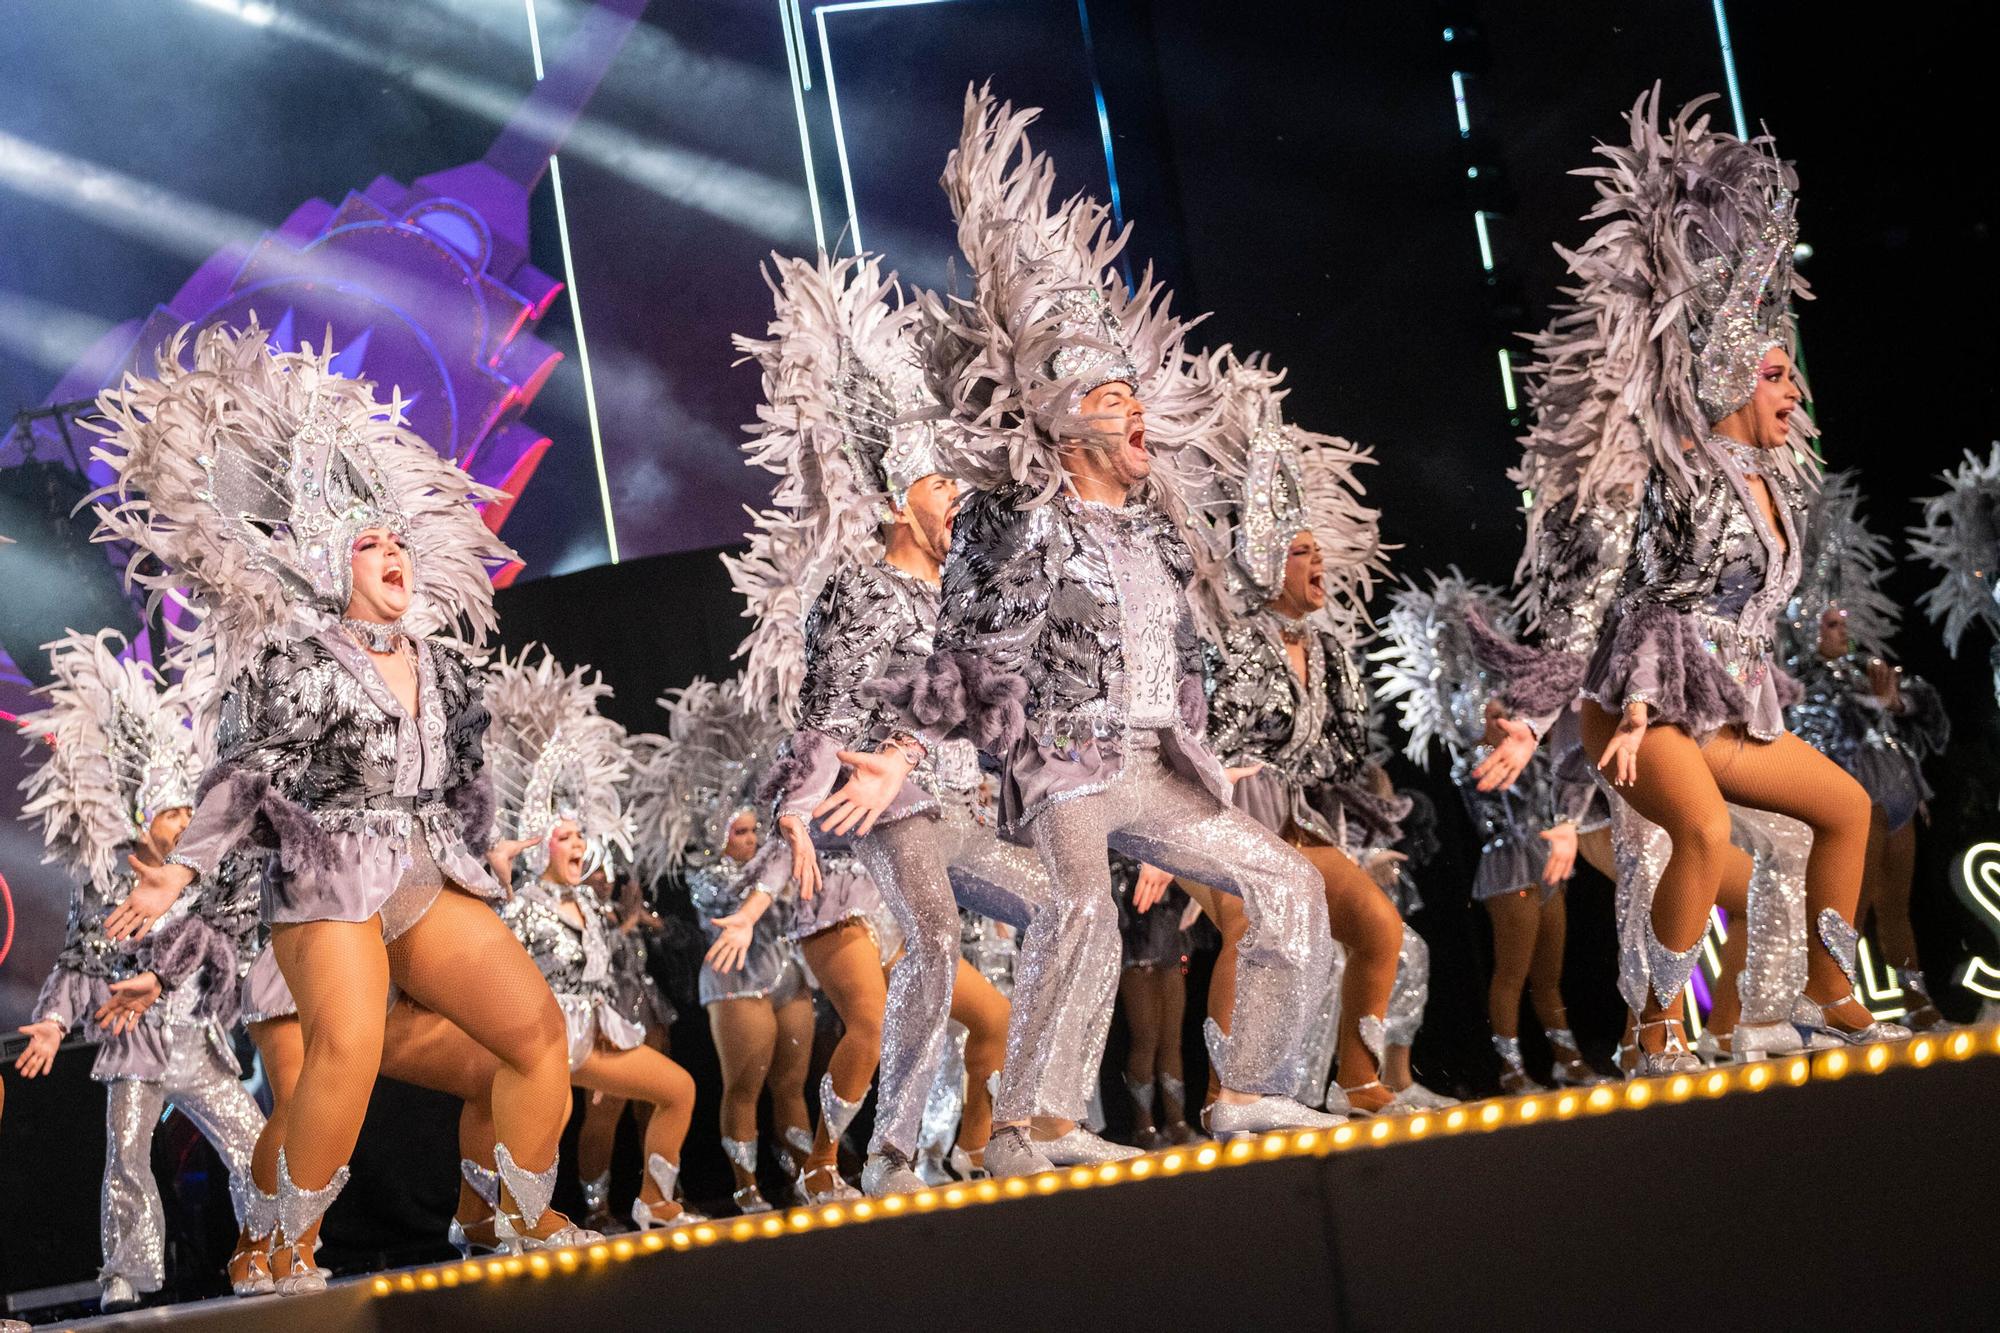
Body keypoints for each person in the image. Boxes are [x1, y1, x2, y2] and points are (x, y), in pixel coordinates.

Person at [857, 87, 1340, 1150]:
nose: (1134, 407)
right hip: (1063, 758)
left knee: (1289, 880)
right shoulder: (1015, 522)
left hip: (1154, 763)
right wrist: (900, 748)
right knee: (1080, 913)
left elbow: (1231, 603)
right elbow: (965, 648)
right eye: (1110, 395)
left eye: (1133, 392)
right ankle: (1030, 1123)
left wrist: (1260, 447)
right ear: (1067, 417)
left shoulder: (1162, 531)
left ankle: (1251, 1086)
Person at [97, 322, 594, 1294]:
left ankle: (513, 1218)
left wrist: (487, 849)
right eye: (368, 544)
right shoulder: (295, 661)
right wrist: (183, 868)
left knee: (535, 1032)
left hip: (414, 870)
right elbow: (243, 775)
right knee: (347, 1048)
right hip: (321, 871)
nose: (392, 553)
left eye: (395, 539)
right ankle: (278, 1246)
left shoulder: (436, 664)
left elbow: (457, 782)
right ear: (332, 567)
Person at [1477, 91, 1906, 1066]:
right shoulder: (1670, 475)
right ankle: (1652, 1029)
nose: (1790, 391)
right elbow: (1599, 599)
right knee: (1703, 835)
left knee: (1841, 809)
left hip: (1727, 708)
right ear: (1723, 380)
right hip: (1640, 705)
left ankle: (1821, 992)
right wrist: (1534, 711)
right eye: (1773, 375)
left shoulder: (1770, 487)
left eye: (1790, 376)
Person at [730, 248, 1050, 1193]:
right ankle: (874, 1152)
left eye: (959, 485)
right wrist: (797, 803)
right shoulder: (862, 587)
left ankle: (1009, 1133)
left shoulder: (965, 597)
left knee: (1067, 907)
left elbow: (989, 716)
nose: (959, 500)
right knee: (932, 946)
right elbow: (825, 706)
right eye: (943, 486)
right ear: (903, 498)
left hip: (954, 814)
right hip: (882, 816)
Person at [12, 632, 263, 1309]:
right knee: (126, 1155)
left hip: (200, 1044)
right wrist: (52, 1021)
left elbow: (227, 940)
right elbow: (80, 960)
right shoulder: (104, 887)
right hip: (137, 1044)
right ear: (142, 816)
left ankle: (268, 1248)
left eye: (189, 810)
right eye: (171, 811)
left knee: (256, 1144)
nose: (183, 822)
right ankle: (125, 1273)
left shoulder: (203, 879)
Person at [1183, 354, 1407, 1114]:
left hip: (1293, 818)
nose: (1318, 564)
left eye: (1319, 552)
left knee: (1378, 924)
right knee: (1251, 922)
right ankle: (1225, 1095)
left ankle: (1357, 1079)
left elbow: (1341, 755)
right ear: (1265, 561)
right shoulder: (1229, 639)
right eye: (1301, 553)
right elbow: (1193, 734)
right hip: (1212, 812)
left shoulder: (1328, 652)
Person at [485, 647, 700, 1231]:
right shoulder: (520, 906)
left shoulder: (588, 902)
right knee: (542, 1126)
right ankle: (512, 1222)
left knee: (678, 1089)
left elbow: (603, 980)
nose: (579, 844)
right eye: (566, 836)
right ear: (539, 843)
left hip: (596, 1037)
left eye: (582, 834)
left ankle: (655, 1202)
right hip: (543, 1042)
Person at [635, 681, 814, 1214]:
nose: (752, 840)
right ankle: (746, 1188)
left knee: (792, 1085)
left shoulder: (774, 859)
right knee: (744, 1089)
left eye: (755, 830)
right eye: (740, 833)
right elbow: (733, 896)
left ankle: (806, 1178)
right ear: (719, 836)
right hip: (735, 982)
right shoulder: (707, 875)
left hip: (786, 972)